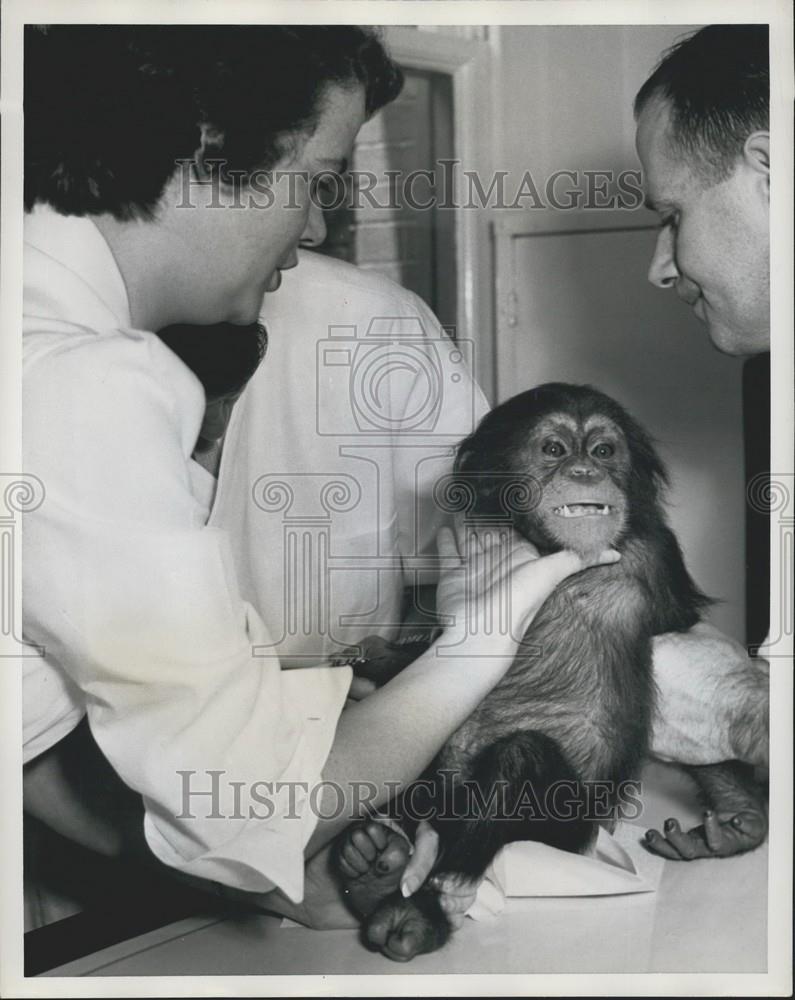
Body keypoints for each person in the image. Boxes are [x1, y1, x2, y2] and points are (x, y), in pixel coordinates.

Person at [22, 24, 611, 933]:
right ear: (202, 160)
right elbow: (253, 806)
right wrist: (484, 636)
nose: (313, 227)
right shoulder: (79, 381)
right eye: (313, 181)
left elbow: (32, 728)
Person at [633, 24, 772, 859]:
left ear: (770, 167)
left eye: (671, 214)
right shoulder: (769, 378)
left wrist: (739, 716)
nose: (659, 266)